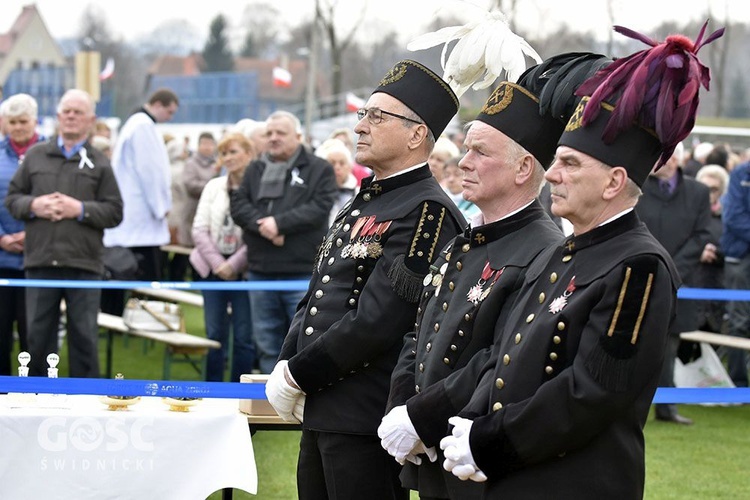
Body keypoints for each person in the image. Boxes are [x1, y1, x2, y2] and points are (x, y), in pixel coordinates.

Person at [439, 22, 722, 498]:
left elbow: (594, 393)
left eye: (570, 164)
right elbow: (510, 357)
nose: (551, 174)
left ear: (614, 182)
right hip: (519, 475)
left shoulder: (640, 266)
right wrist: (470, 422)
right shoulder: (562, 251)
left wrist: (492, 441)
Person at [380, 54, 611, 496]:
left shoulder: (544, 250)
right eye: (465, 149)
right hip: (429, 455)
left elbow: (501, 357)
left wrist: (422, 418)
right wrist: (402, 409)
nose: (462, 162)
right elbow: (420, 333)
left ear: (525, 168)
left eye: (479, 151)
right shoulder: (464, 239)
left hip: (478, 457)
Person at [265, 60, 466, 500]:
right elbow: (318, 292)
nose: (361, 126)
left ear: (417, 134)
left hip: (362, 414)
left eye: (377, 116)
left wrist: (299, 373)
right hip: (322, 405)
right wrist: (285, 362)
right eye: (363, 114)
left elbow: (379, 317)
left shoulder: (427, 212)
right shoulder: (363, 202)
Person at [5, 89, 123, 377]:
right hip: (41, 261)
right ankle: (35, 399)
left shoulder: (100, 162)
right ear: (58, 117)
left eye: (78, 112)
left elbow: (114, 212)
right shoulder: (35, 156)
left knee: (84, 338)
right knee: (37, 340)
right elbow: (12, 200)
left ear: (90, 120)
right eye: (66, 111)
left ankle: (86, 405)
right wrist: (34, 205)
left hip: (83, 264)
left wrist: (80, 209)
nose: (71, 117)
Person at [229, 110, 337, 374]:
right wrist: (263, 226)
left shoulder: (319, 168)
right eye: (269, 133)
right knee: (266, 344)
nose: (273, 138)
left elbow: (320, 207)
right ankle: (266, 407)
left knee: (302, 343)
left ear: (298, 136)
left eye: (281, 133)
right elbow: (239, 204)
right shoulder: (255, 168)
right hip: (260, 272)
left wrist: (280, 224)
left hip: (300, 274)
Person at [635, 142, 712, 425]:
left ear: (678, 160)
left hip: (679, 281)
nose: (661, 163)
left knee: (668, 348)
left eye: (666, 158)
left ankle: (666, 408)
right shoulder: (639, 187)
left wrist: (672, 267)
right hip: (642, 274)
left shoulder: (698, 192)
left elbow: (703, 234)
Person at [189, 132, 255, 382]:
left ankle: (240, 394)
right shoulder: (213, 186)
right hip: (212, 270)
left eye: (233, 152)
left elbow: (256, 232)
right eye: (224, 153)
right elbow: (199, 229)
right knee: (214, 335)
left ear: (249, 154)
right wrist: (219, 264)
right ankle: (212, 392)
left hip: (245, 272)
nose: (228, 158)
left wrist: (235, 265)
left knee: (243, 337)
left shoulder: (257, 187)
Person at [103, 88, 179, 284]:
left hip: (133, 220)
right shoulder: (143, 126)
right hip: (140, 222)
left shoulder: (135, 124)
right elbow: (151, 171)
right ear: (157, 105)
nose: (169, 118)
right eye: (169, 112)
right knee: (145, 288)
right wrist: (161, 207)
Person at [0, 93, 44, 375]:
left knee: (35, 332)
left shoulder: (48, 153)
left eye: (23, 121)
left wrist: (32, 236)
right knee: (1, 331)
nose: (18, 127)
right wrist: (2, 238)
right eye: (12, 121)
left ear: (34, 121)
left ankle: (36, 390)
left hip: (37, 258)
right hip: (2, 259)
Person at [721, 151, 750, 387]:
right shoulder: (741, 174)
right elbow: (733, 215)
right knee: (739, 320)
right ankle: (738, 382)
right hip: (741, 257)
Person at [695, 164, 729, 333]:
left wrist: (716, 253)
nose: (709, 193)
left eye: (714, 189)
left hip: (718, 285)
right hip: (691, 284)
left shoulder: (728, 217)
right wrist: (698, 252)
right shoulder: (688, 213)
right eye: (704, 188)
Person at [314, 138, 359, 226]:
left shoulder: (359, 194)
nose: (337, 167)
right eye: (332, 163)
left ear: (349, 167)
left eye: (342, 163)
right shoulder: (313, 194)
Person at [442, 155, 480, 220]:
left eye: (457, 174)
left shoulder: (476, 202)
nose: (451, 179)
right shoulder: (441, 198)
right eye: (447, 175)